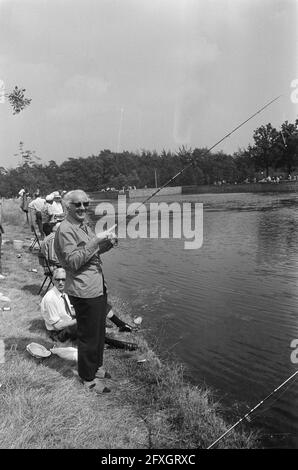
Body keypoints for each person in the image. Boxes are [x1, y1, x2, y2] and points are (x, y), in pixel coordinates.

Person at [54, 189, 117, 394]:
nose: (82, 208)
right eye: (77, 204)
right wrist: (95, 241)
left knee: (99, 332)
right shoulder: (65, 229)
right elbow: (72, 262)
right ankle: (87, 378)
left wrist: (108, 244)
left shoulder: (84, 225)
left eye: (85, 204)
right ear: (67, 206)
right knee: (88, 336)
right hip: (83, 290)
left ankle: (96, 368)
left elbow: (92, 253)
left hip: (97, 286)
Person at [40, 267, 77, 342]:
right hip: (58, 333)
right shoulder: (50, 299)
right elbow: (57, 326)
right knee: (86, 325)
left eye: (63, 279)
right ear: (53, 280)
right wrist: (78, 320)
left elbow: (68, 311)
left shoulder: (63, 292)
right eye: (58, 279)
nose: (60, 282)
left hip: (67, 323)